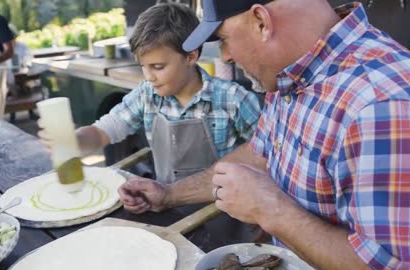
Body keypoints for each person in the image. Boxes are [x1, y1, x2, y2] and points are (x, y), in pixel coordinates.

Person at [118, 0, 410, 269]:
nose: (226, 57)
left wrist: (270, 209)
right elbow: (260, 153)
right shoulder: (288, 75)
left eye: (223, 39)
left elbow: (389, 263)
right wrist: (169, 194)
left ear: (261, 21)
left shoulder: (380, 103)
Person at [39, 3, 262, 184]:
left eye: (157, 67)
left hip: (226, 214)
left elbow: (266, 157)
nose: (148, 77)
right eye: (142, 67)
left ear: (191, 57)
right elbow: (105, 130)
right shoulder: (148, 95)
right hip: (167, 205)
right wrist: (74, 140)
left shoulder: (233, 99)